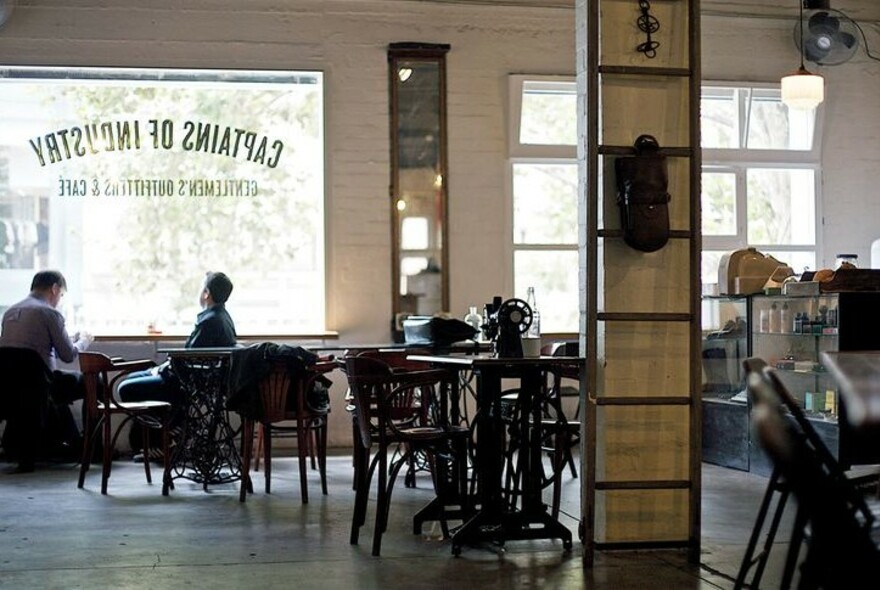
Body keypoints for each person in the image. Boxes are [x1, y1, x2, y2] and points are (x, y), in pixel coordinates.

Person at [118, 272, 237, 455]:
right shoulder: (222, 317)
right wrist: (158, 370)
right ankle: (166, 433)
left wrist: (161, 371)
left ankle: (167, 433)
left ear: (206, 293)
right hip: (191, 378)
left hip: (184, 383)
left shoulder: (210, 321)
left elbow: (187, 360)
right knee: (133, 377)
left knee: (126, 388)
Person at [0, 270, 94, 472]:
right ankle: (93, 447)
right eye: (61, 295)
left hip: (9, 387)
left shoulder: (9, 313)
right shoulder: (49, 313)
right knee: (95, 384)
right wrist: (84, 340)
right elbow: (68, 355)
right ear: (55, 288)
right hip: (41, 384)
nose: (59, 300)